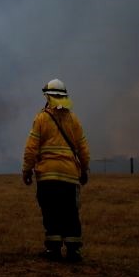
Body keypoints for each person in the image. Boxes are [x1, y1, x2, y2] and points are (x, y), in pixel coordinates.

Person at [22, 78, 90, 262]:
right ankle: (73, 251)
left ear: (47, 96)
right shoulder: (74, 119)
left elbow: (31, 148)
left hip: (47, 176)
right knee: (71, 213)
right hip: (70, 176)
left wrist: (27, 170)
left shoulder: (41, 118)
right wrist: (84, 170)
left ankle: (53, 250)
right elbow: (83, 149)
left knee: (51, 212)